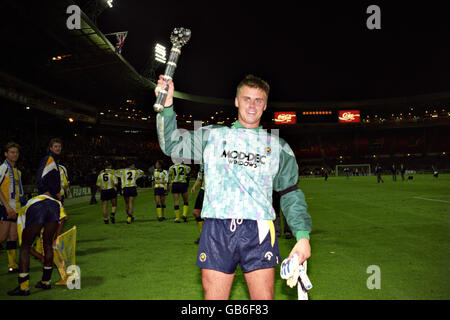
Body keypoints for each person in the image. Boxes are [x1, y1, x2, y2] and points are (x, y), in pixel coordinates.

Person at [155, 74, 312, 300]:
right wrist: (167, 106)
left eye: (258, 100)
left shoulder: (278, 147)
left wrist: (302, 236)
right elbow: (171, 144)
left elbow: (290, 194)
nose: (252, 105)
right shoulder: (213, 136)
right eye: (246, 99)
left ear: (265, 105)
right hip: (217, 228)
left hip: (259, 231)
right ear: (236, 101)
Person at [7, 138, 66, 296]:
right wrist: (54, 193)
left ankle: (24, 286)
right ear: (50, 147)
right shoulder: (52, 161)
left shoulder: (50, 160)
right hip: (53, 205)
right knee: (47, 243)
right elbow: (48, 182)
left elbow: (40, 179)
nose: (58, 148)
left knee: (25, 246)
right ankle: (46, 281)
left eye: (60, 146)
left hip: (39, 203)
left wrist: (44, 191)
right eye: (55, 146)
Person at [0, 142, 25, 273]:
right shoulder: (3, 168)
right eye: (12, 152)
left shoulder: (17, 171)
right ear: (6, 154)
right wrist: (7, 207)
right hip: (5, 207)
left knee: (13, 236)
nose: (15, 155)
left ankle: (12, 265)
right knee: (2, 237)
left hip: (15, 208)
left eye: (16, 152)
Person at [190, 164, 205, 243]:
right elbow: (199, 178)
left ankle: (207, 237)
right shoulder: (203, 165)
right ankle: (203, 236)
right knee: (196, 213)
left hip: (212, 192)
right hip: (203, 190)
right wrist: (194, 187)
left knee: (209, 216)